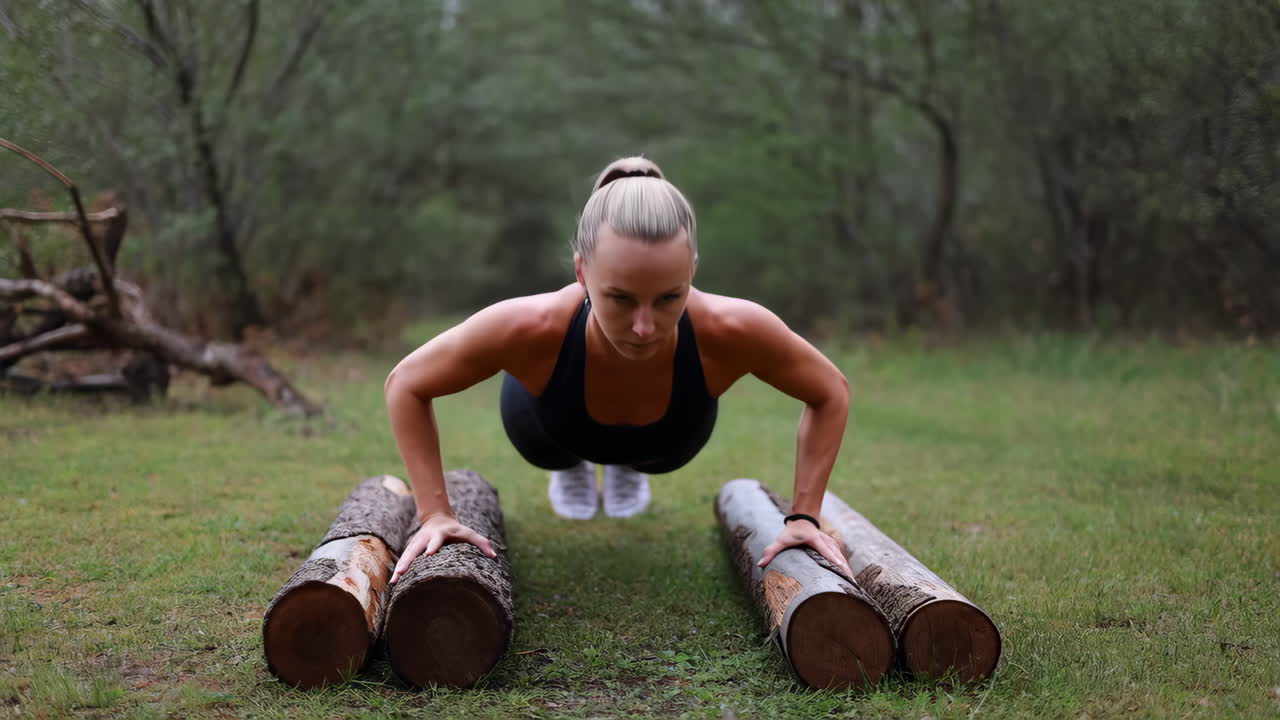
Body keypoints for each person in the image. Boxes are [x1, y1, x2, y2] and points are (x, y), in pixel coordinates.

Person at [384, 157, 852, 583]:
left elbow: (830, 391)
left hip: (667, 440)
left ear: (692, 270)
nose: (645, 328)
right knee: (551, 450)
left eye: (670, 297)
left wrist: (805, 518)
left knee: (654, 453)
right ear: (582, 273)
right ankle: (574, 467)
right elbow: (406, 383)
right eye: (621, 298)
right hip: (552, 430)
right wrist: (435, 514)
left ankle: (631, 466)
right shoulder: (531, 325)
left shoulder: (733, 328)